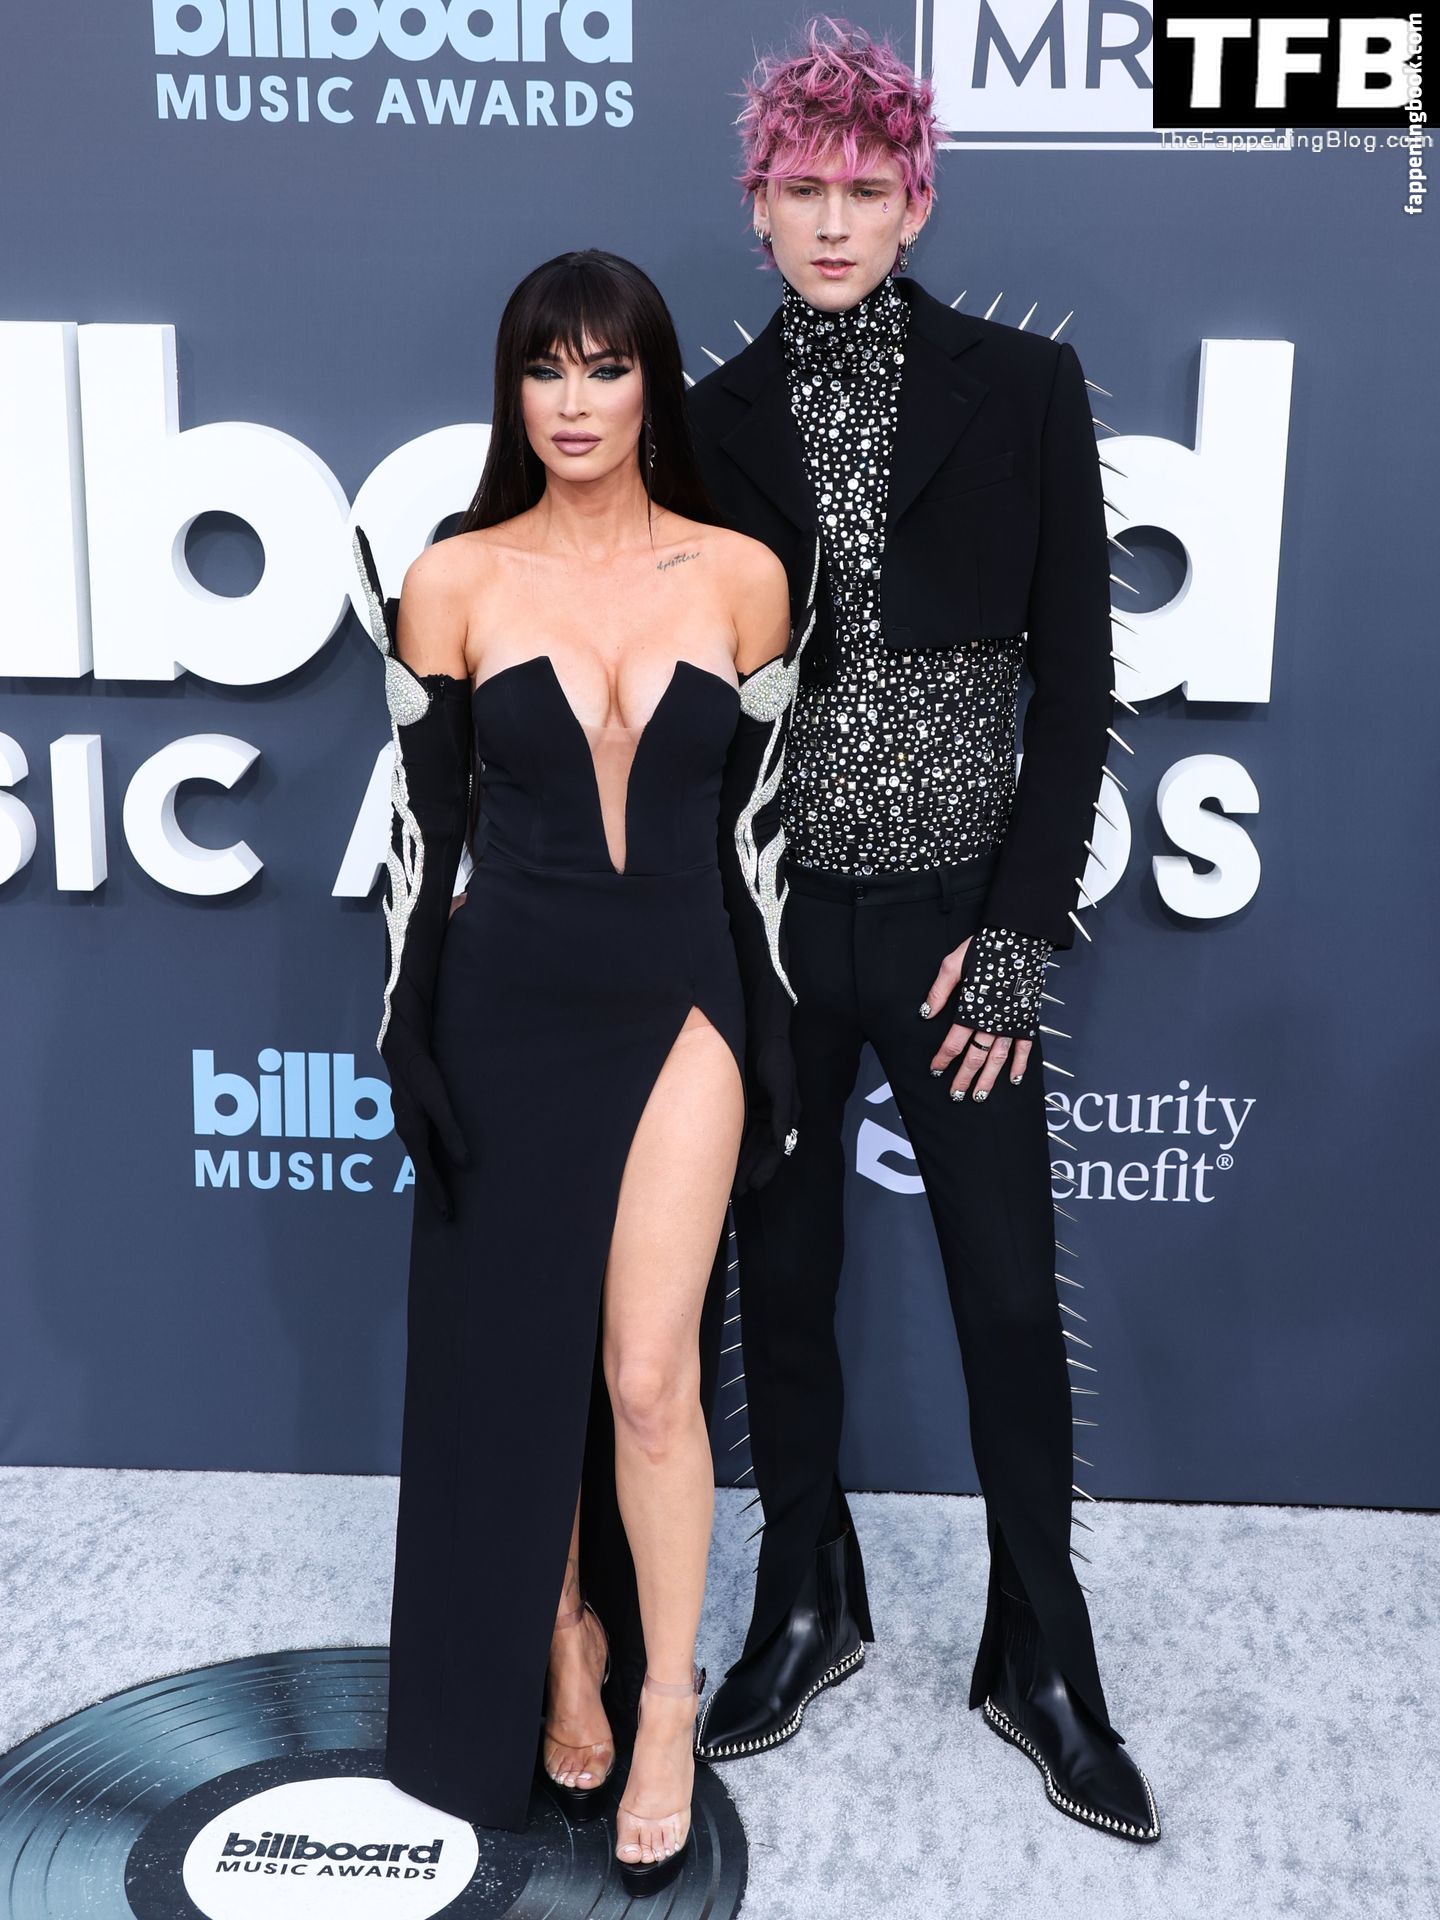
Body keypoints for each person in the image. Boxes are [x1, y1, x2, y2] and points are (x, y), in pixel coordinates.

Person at [684, 17, 1160, 1842]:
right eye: (799, 189)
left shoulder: (1022, 386)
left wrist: (1021, 939)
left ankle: (1042, 1650)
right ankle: (808, 1598)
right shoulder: (705, 425)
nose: (831, 221)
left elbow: (1077, 687)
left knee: (1007, 1299)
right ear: (757, 206)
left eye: (863, 189)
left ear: (916, 201)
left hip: (966, 929)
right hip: (781, 930)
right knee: (779, 1277)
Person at [352, 247, 817, 1893]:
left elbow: (759, 835)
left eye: (606, 367)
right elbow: (425, 837)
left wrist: (773, 1023)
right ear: (514, 390)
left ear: (650, 385)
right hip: (507, 999)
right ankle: (564, 1638)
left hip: (683, 992)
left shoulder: (744, 577)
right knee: (525, 1366)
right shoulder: (453, 581)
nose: (574, 400)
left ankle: (666, 1701)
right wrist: (408, 1025)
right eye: (545, 368)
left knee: (643, 1374)